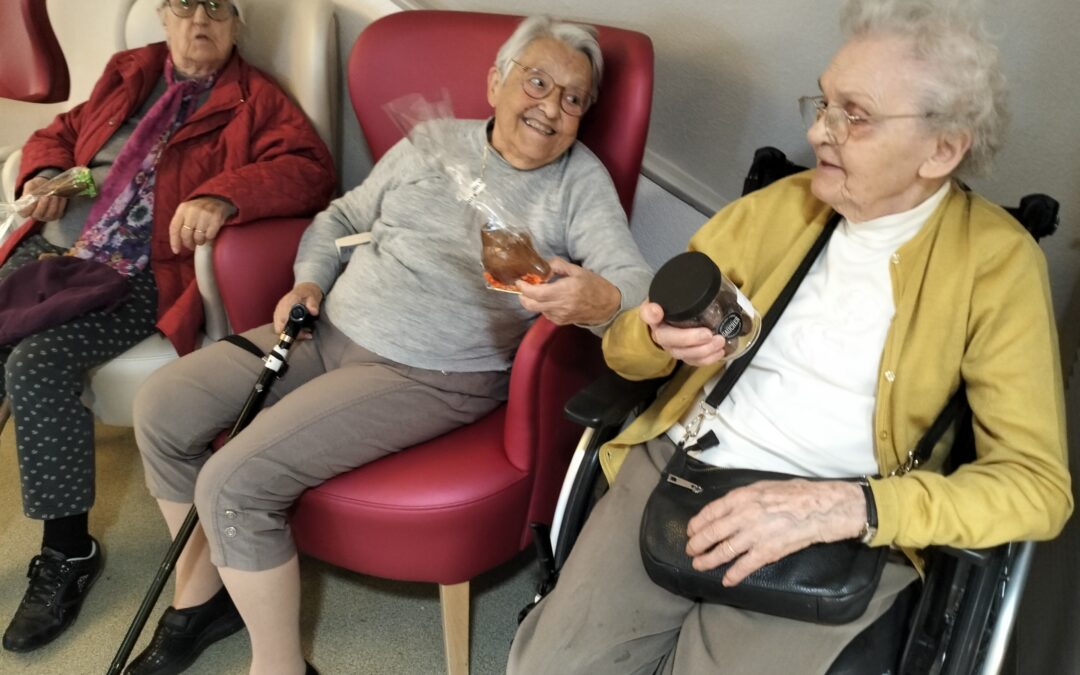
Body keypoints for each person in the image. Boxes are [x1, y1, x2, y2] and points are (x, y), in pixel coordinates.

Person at [508, 1, 1073, 673]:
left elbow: (1036, 488)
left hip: (836, 519)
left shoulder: (996, 263)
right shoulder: (778, 207)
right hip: (682, 470)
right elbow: (623, 350)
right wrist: (660, 339)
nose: (816, 132)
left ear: (942, 149)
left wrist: (853, 506)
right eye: (823, 103)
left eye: (852, 115)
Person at [130, 14, 652, 675]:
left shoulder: (579, 183)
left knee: (235, 480)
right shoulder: (434, 139)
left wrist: (598, 298)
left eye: (573, 98)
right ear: (496, 81)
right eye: (537, 81)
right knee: (161, 407)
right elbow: (342, 216)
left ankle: (281, 665)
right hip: (325, 329)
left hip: (428, 374)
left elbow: (635, 282)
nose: (550, 107)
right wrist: (308, 280)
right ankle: (204, 599)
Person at [0, 0, 335, 654]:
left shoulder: (255, 100)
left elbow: (309, 170)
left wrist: (226, 192)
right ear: (162, 15)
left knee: (34, 363)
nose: (198, 20)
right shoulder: (131, 69)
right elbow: (62, 131)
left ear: (238, 23)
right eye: (184, 5)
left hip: (137, 272)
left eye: (216, 7)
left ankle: (67, 554)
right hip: (60, 249)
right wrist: (45, 174)